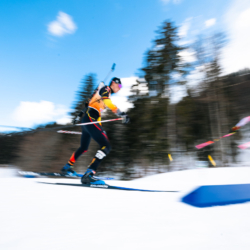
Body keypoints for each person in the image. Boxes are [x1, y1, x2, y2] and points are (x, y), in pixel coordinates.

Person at [61, 77, 129, 185]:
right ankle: (89, 174)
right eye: (119, 86)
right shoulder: (106, 89)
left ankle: (66, 167)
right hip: (90, 119)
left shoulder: (102, 92)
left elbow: (93, 110)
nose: (119, 88)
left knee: (84, 148)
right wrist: (121, 113)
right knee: (106, 146)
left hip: (88, 121)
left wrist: (101, 129)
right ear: (113, 83)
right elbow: (107, 101)